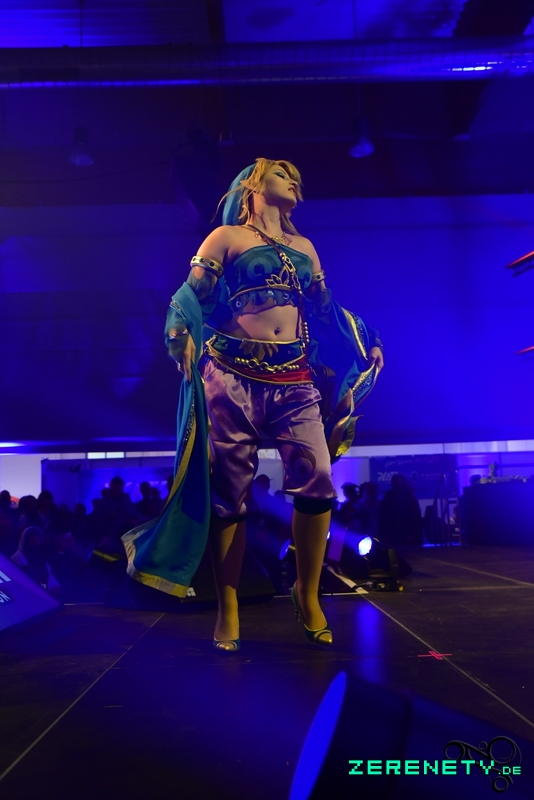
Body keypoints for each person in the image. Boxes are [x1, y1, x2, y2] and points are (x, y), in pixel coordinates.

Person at [122, 158, 383, 651]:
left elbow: (324, 310)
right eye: (282, 174)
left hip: (293, 376)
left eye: (296, 175)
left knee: (318, 479)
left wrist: (363, 338)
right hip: (230, 374)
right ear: (254, 183)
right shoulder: (226, 237)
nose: (294, 179)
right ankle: (228, 603)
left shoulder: (305, 248)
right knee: (229, 493)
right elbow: (192, 294)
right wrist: (178, 332)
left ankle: (307, 593)